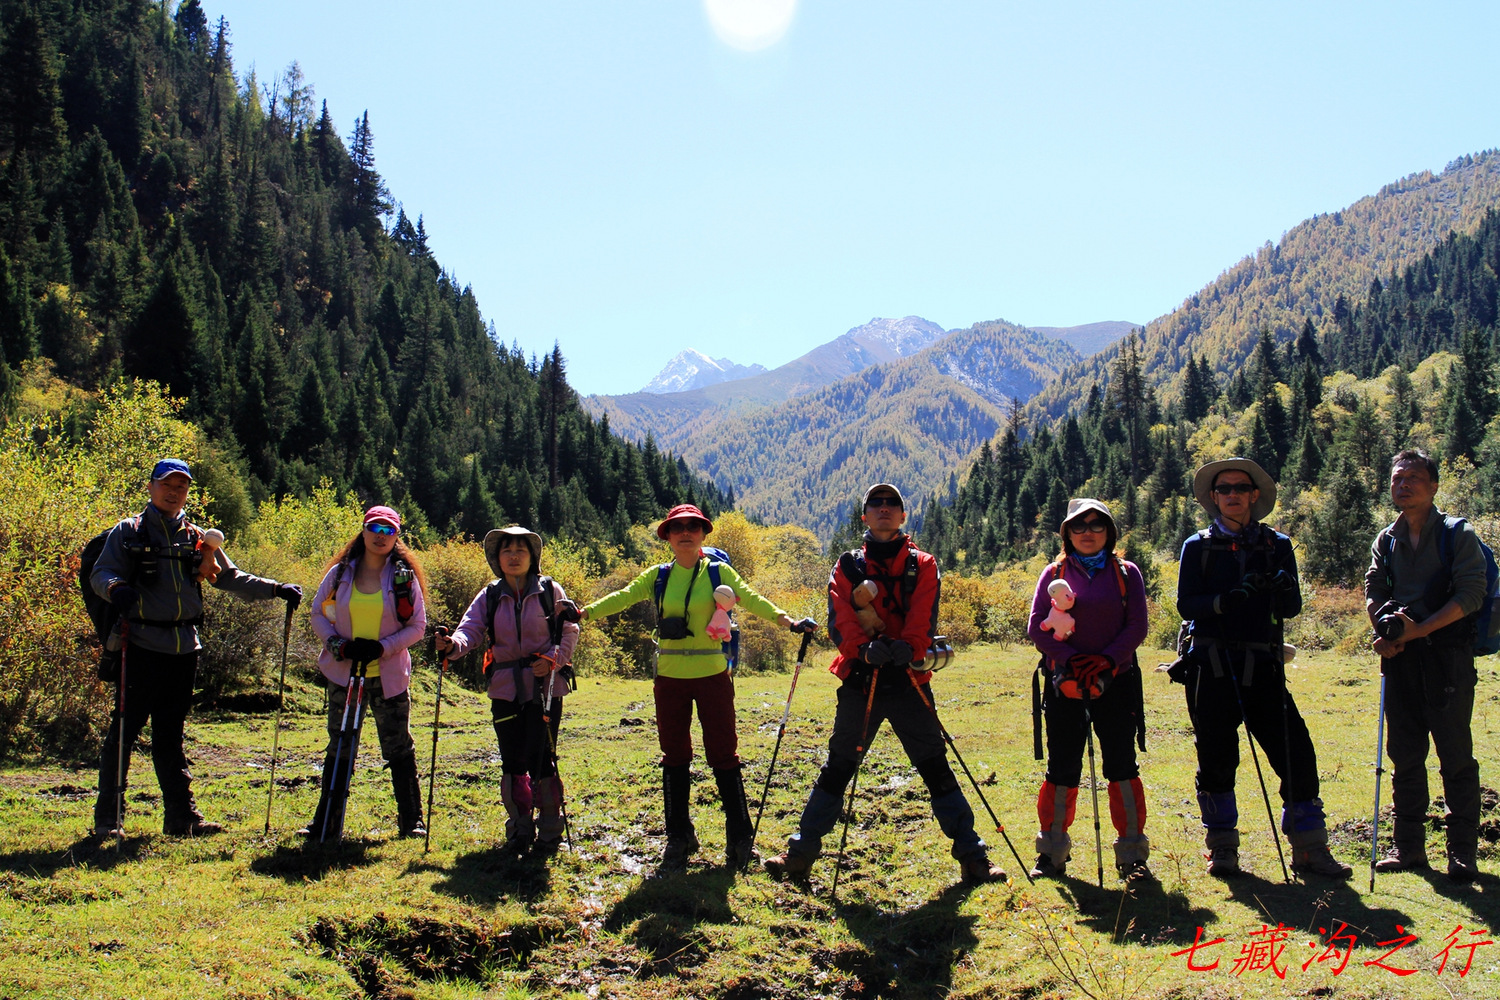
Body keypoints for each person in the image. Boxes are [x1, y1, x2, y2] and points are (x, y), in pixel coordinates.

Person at [764, 483, 1007, 884]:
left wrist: (908, 646)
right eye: (875, 503)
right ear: (865, 515)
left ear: (902, 515)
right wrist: (863, 650)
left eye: (892, 503)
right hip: (862, 678)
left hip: (908, 677)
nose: (883, 508)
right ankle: (800, 853)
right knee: (839, 765)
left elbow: (924, 615)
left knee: (934, 765)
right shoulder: (847, 565)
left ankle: (973, 856)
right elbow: (840, 618)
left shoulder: (923, 563)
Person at [577, 503, 810, 870]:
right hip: (670, 679)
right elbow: (622, 596)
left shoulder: (718, 571)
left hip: (713, 677)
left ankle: (740, 840)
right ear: (667, 536)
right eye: (677, 527)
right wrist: (584, 612)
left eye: (693, 526)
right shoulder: (657, 576)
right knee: (674, 757)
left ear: (703, 533)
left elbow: (750, 598)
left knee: (724, 755)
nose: (685, 532)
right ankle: (679, 837)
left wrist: (789, 621)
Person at [91, 458, 302, 836]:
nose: (174, 493)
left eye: (181, 487)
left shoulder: (196, 537)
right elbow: (101, 573)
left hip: (184, 648)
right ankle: (109, 820)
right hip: (138, 645)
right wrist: (115, 588)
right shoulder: (128, 531)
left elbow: (230, 577)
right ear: (151, 487)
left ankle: (181, 817)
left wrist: (276, 589)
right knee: (123, 733)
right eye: (167, 485)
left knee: (170, 735)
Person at [1175, 458, 1351, 879]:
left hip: (1264, 664)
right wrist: (1226, 601)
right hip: (1211, 665)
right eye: (1224, 489)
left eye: (1240, 487)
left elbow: (1292, 607)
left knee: (1295, 753)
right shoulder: (1197, 547)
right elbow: (1186, 604)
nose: (1232, 494)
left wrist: (1283, 587)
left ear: (1254, 495)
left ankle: (1310, 848)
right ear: (1213, 497)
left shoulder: (1278, 545)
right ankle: (1222, 848)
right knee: (1216, 758)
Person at [1364, 449, 1485, 882]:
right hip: (1401, 661)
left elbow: (1471, 594)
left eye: (1414, 477)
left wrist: (1420, 630)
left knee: (1455, 756)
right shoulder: (1387, 539)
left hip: (1447, 659)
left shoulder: (1457, 534)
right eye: (1398, 478)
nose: (1404, 484)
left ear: (1433, 486)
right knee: (1405, 755)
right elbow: (1374, 588)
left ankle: (1462, 853)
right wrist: (1385, 630)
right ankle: (1409, 848)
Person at [1026, 498, 1151, 882]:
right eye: (1079, 526)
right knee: (1062, 766)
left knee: (1122, 765)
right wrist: (1072, 660)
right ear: (1067, 534)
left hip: (1117, 682)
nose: (1088, 532)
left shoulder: (1127, 573)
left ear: (1109, 533)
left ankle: (1132, 856)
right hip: (1064, 683)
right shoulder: (1053, 573)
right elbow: (1036, 626)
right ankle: (1051, 854)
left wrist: (1107, 661)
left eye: (1097, 525)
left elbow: (1137, 626)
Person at [435, 525, 579, 851]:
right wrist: (452, 645)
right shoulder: (489, 595)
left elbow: (569, 629)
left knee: (542, 757)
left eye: (520, 551)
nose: (514, 556)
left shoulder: (549, 590)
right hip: (504, 689)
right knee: (512, 759)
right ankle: (519, 828)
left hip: (545, 687)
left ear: (532, 556)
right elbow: (469, 631)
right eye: (507, 551)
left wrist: (552, 659)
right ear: (497, 558)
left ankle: (550, 830)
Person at [303, 506, 429, 840]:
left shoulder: (403, 578)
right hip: (343, 674)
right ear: (363, 531)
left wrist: (383, 647)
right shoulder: (340, 573)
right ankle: (326, 822)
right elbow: (317, 613)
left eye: (388, 531)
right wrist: (338, 646)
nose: (380, 536)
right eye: (375, 528)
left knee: (398, 746)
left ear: (396, 537)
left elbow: (418, 626)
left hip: (389, 677)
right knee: (340, 745)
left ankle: (412, 821)